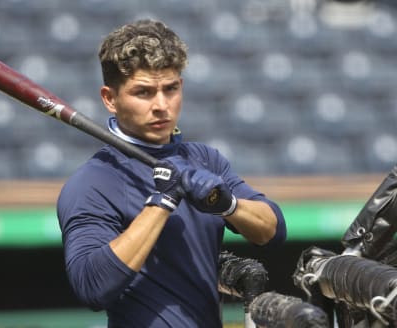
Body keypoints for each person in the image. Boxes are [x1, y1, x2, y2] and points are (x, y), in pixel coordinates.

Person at [57, 19, 286, 328]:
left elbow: (272, 231)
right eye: (144, 92)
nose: (161, 105)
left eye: (170, 88)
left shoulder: (205, 159)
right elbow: (93, 287)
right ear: (110, 99)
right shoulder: (92, 182)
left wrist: (229, 205)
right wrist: (163, 201)